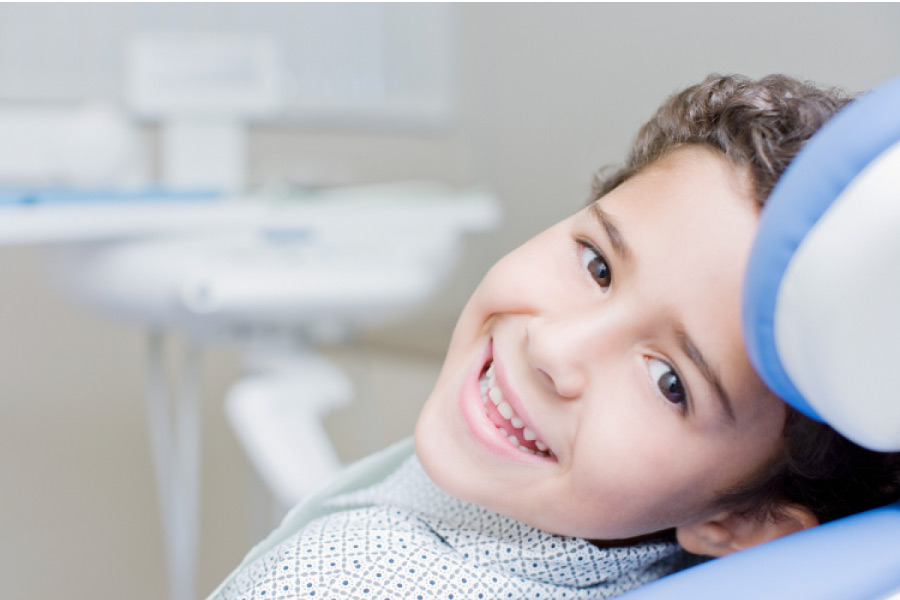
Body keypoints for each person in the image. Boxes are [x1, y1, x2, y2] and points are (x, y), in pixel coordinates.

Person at [208, 74, 900, 600]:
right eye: (598, 265)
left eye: (670, 382)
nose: (555, 351)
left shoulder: (346, 579)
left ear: (745, 524)